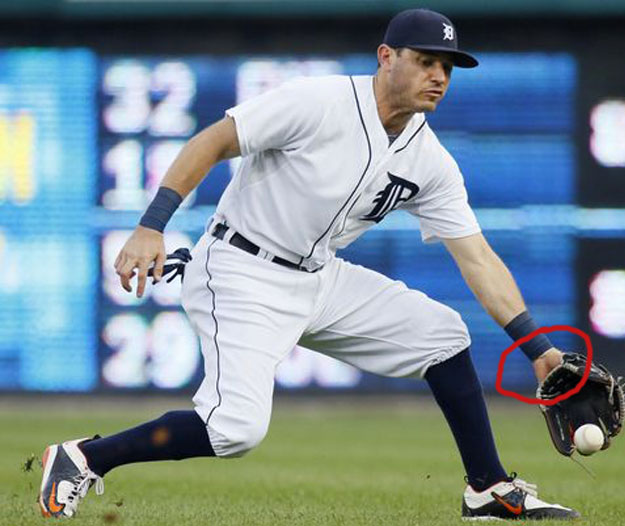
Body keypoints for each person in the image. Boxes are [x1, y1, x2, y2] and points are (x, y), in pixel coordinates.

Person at [39, 8, 580, 521]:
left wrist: (539, 350)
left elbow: (478, 259)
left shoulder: (430, 160)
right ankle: (86, 457)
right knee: (235, 431)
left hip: (318, 275)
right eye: (425, 60)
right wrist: (150, 225)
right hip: (241, 269)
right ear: (386, 56)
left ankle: (486, 488)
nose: (438, 75)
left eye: (446, 66)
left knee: (443, 335)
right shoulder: (319, 101)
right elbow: (213, 141)